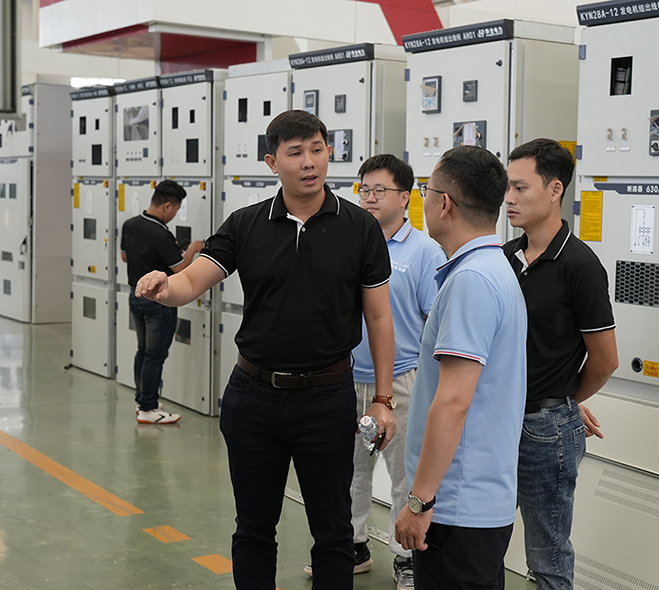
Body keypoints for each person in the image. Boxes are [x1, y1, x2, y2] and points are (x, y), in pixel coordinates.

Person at [135, 110, 396, 590]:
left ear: (329, 152)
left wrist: (382, 399)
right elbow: (192, 280)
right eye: (295, 153)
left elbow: (379, 318)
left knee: (333, 531)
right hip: (253, 397)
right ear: (272, 162)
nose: (309, 162)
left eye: (317, 149)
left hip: (327, 398)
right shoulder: (246, 224)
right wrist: (164, 287)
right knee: (254, 528)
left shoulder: (360, 227)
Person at [394, 146, 527, 589]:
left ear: (444, 203)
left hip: (455, 508)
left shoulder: (472, 281)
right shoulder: (493, 268)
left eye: (425, 191)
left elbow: (453, 402)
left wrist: (420, 501)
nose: (424, 200)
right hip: (478, 503)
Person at [503, 138, 619, 590]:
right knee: (485, 539)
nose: (509, 198)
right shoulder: (506, 257)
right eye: (507, 187)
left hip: (544, 429)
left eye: (520, 188)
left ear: (555, 190)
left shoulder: (579, 265)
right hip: (499, 416)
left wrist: (563, 401)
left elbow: (605, 359)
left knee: (547, 554)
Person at [325, 154, 444, 588]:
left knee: (403, 476)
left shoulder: (425, 252)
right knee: (348, 472)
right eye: (364, 190)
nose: (370, 198)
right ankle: (353, 546)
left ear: (406, 197)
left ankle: (405, 558)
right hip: (345, 378)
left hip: (401, 381)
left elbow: (433, 324)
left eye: (380, 190)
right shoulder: (350, 243)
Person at [120, 179, 203, 424]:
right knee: (155, 355)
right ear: (167, 206)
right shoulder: (161, 234)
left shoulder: (130, 224)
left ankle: (143, 400)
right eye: (176, 209)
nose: (175, 214)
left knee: (143, 351)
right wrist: (193, 249)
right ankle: (148, 409)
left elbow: (125, 257)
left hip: (136, 295)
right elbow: (180, 270)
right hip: (158, 301)